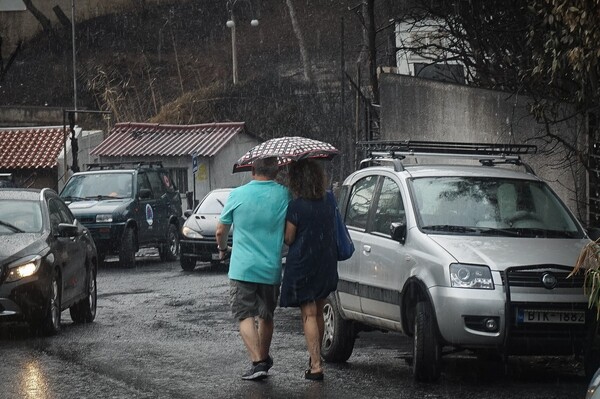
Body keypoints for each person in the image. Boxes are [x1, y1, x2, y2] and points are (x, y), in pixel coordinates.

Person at [215, 157, 290, 381]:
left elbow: (221, 230)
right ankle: (264, 359)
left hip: (242, 268)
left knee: (244, 314)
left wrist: (222, 248)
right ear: (276, 171)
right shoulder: (284, 194)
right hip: (271, 267)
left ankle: (258, 362)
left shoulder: (237, 194)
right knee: (266, 315)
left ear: (252, 170)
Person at [280, 159, 338, 381]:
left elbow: (289, 237)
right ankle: (317, 359)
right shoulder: (329, 201)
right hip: (325, 261)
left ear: (298, 180)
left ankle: (315, 365)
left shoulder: (296, 206)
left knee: (309, 313)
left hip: (304, 262)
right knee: (319, 309)